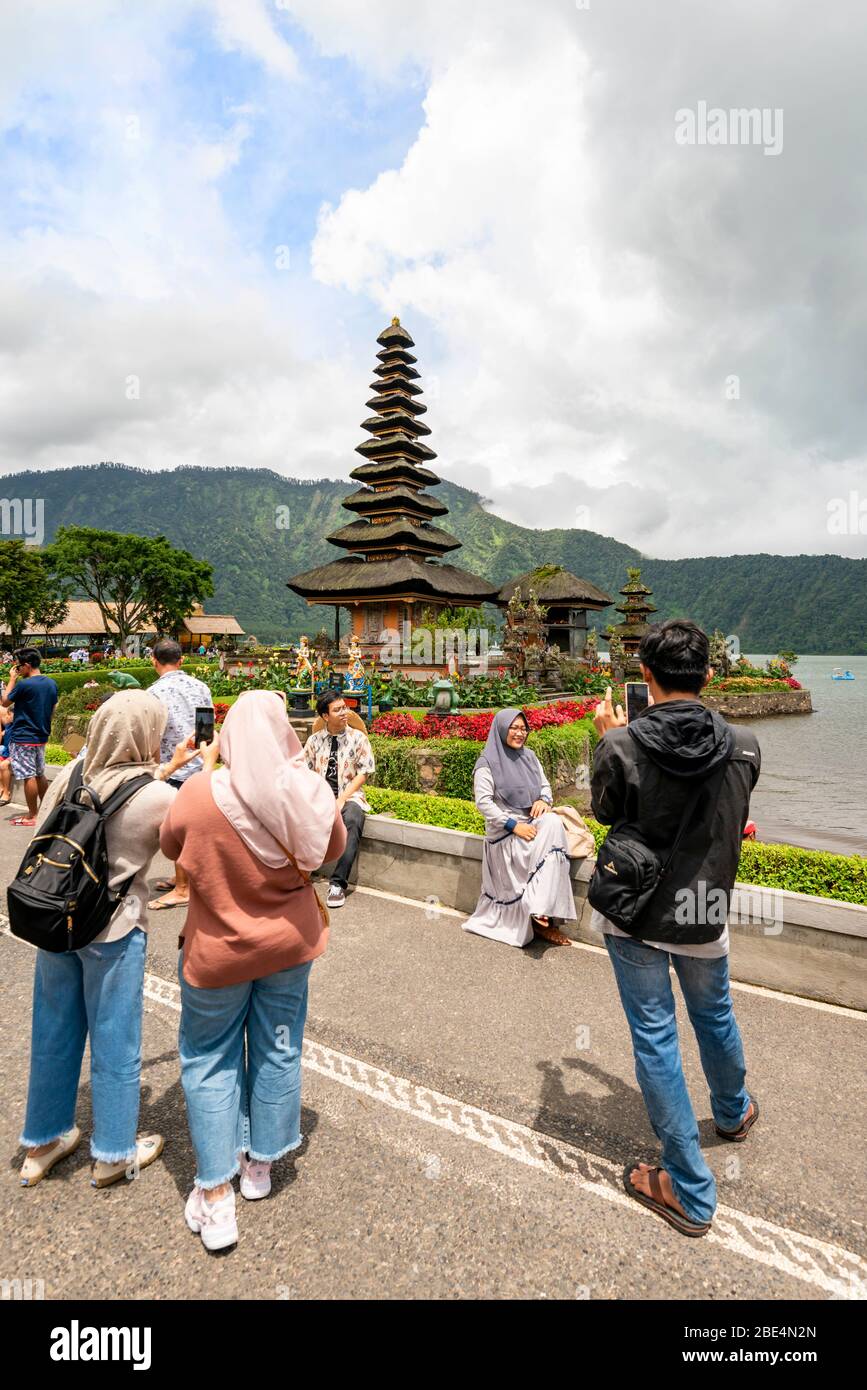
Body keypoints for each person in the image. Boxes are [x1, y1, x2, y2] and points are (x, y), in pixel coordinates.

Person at [590, 619, 761, 1238]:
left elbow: (607, 812)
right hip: (704, 913)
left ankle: (688, 1188)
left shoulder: (623, 746)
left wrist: (610, 739)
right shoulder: (744, 745)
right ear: (709, 676)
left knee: (656, 1037)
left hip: (635, 915)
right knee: (714, 1016)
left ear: (645, 676)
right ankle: (733, 1112)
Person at [159, 690, 346, 1251]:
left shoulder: (197, 795)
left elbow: (170, 843)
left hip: (218, 954)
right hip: (288, 950)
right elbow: (331, 850)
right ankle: (260, 1165)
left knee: (210, 1057)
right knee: (278, 1046)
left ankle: (215, 1196)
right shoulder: (308, 792)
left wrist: (206, 770)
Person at [17, 690, 202, 1190]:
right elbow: (191, 842)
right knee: (115, 1038)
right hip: (113, 929)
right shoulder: (160, 797)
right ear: (144, 735)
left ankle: (43, 1141)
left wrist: (165, 766)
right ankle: (114, 1152)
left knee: (53, 1032)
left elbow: (105, 800)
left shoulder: (73, 774)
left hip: (55, 920)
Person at [461, 709, 577, 948]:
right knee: (546, 833)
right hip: (505, 831)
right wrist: (514, 826)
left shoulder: (530, 757)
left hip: (529, 822)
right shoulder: (487, 763)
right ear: (502, 729)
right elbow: (484, 803)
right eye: (514, 728)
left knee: (554, 822)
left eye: (523, 728)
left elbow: (545, 786)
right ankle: (541, 918)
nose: (519, 733)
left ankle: (540, 909)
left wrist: (543, 800)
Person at [147, 637, 213, 910]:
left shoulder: (153, 693)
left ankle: (184, 888)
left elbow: (152, 737)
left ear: (153, 661)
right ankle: (181, 879)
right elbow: (207, 729)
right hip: (199, 764)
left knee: (176, 830)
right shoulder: (201, 686)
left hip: (172, 767)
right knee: (190, 829)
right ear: (181, 659)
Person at [304, 690, 375, 908]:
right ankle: (300, 870)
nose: (344, 712)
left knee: (353, 819)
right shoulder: (314, 741)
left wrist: (342, 798)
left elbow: (365, 771)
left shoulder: (358, 738)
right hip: (320, 797)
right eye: (338, 710)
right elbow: (303, 772)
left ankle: (337, 884)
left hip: (350, 795)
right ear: (326, 716)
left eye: (345, 707)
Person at [1, 648, 60, 827]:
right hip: (41, 734)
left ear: (26, 665)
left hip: (23, 735)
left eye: (19, 665)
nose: (18, 669)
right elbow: (53, 708)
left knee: (28, 776)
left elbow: (4, 702)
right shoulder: (51, 683)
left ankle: (33, 815)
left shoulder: (25, 685)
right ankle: (46, 810)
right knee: (40, 773)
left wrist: (12, 679)